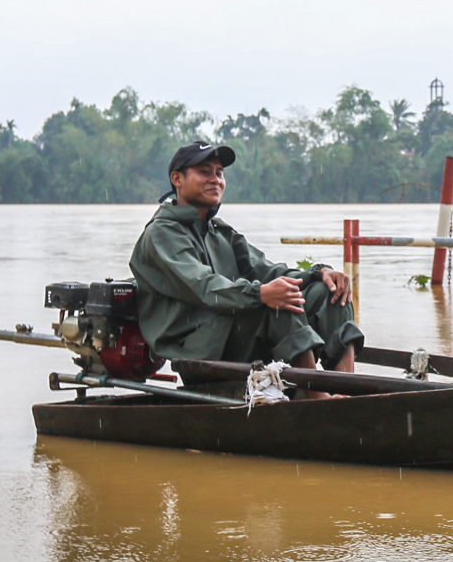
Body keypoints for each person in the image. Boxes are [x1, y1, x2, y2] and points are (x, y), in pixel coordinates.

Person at [130, 141, 363, 395]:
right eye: (205, 172)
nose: (215, 180)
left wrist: (320, 274)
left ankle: (345, 391)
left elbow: (266, 270)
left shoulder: (219, 231)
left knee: (330, 293)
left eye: (219, 173)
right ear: (177, 179)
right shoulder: (162, 233)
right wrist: (261, 294)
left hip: (230, 331)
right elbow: (203, 286)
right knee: (280, 303)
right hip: (197, 349)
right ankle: (317, 399)